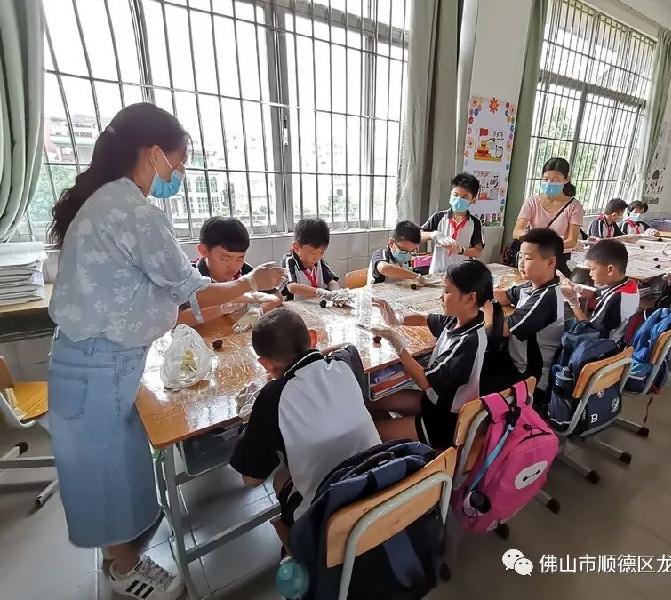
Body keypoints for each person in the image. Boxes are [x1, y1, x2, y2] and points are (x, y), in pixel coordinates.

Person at [46, 103, 285, 600]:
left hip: (98, 361)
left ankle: (123, 550)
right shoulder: (134, 212)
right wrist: (251, 283)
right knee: (106, 475)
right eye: (177, 165)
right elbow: (191, 293)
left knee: (119, 465)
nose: (177, 176)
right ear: (154, 154)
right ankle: (124, 569)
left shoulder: (107, 201)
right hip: (97, 367)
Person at [229, 308, 380, 527]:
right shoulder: (345, 361)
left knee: (281, 477)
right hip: (380, 484)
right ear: (313, 337)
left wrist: (255, 424)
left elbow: (251, 479)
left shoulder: (272, 396)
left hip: (331, 515)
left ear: (265, 364)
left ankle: (295, 537)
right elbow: (346, 346)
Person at [369, 260, 492, 448]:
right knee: (372, 401)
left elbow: (424, 381)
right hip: (431, 401)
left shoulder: (468, 342)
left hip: (444, 421)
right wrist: (396, 319)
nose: (441, 297)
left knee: (369, 433)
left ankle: (410, 449)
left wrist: (397, 343)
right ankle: (394, 433)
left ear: (470, 299)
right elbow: (426, 319)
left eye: (447, 291)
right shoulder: (462, 319)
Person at [488, 228, 565, 400]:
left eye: (528, 258)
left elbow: (504, 329)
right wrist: (478, 291)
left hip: (529, 377)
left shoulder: (546, 298)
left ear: (550, 263)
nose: (521, 263)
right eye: (520, 256)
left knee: (469, 378)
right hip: (514, 360)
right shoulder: (533, 286)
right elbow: (505, 296)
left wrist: (483, 304)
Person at [177, 217, 282, 325]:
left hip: (231, 331)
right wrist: (223, 307)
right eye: (225, 259)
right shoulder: (190, 277)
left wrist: (257, 312)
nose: (233, 266)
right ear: (204, 251)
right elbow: (178, 318)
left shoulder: (245, 271)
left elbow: (277, 297)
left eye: (240, 258)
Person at [513, 157, 584, 274]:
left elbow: (572, 241)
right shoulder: (532, 202)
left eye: (555, 180)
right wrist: (535, 239)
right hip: (532, 257)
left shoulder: (574, 206)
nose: (549, 183)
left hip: (558, 258)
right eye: (546, 179)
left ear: (566, 179)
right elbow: (517, 232)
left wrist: (546, 247)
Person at [563, 239, 639, 343]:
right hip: (619, 338)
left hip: (605, 347)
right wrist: (577, 288)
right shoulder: (630, 285)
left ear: (610, 270)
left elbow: (588, 331)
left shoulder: (614, 299)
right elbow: (598, 293)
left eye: (592, 269)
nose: (590, 274)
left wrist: (574, 304)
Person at [420, 173, 484, 274]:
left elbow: (478, 252)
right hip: (438, 272)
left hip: (461, 273)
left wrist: (461, 250)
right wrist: (433, 234)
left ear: (473, 200)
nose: (459, 199)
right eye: (456, 195)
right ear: (450, 194)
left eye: (464, 197)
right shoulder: (438, 217)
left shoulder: (475, 223)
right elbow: (418, 236)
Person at [281, 218, 341, 300]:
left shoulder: (319, 261)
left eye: (321, 253)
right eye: (312, 253)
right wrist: (320, 292)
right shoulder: (289, 260)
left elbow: (332, 282)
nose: (317, 257)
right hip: (296, 305)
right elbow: (292, 287)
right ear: (296, 247)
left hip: (316, 304)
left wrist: (336, 293)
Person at [370, 220, 422, 284]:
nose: (407, 254)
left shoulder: (406, 258)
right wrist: (416, 276)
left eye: (412, 251)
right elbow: (383, 268)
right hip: (377, 290)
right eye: (403, 250)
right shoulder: (381, 254)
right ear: (391, 242)